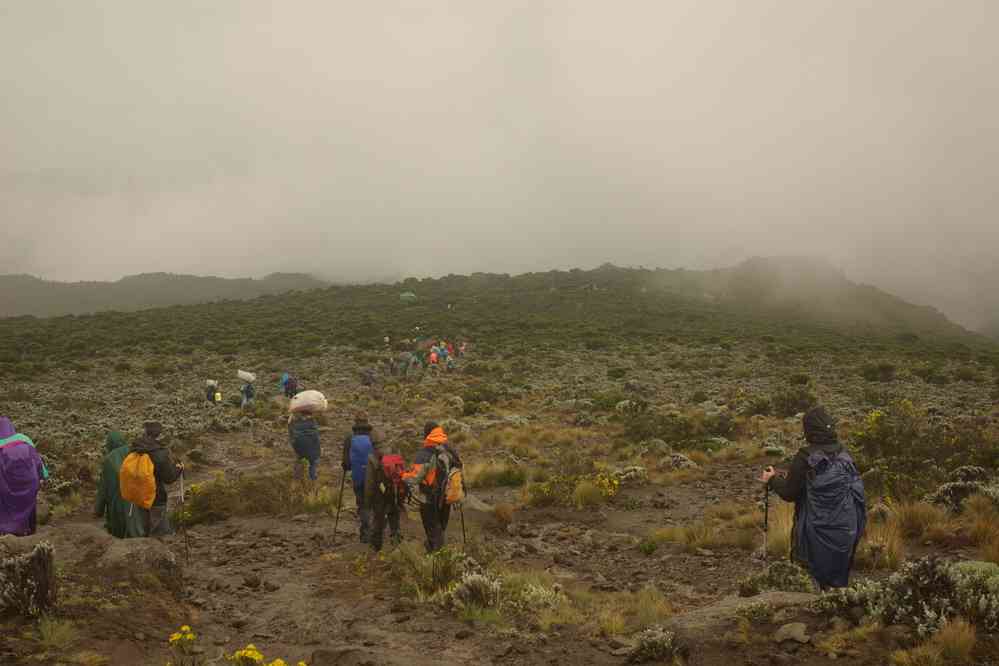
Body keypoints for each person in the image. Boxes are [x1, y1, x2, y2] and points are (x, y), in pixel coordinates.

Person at [760, 406, 866, 590]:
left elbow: (789, 493)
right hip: (846, 528)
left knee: (809, 578)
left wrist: (772, 479)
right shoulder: (844, 453)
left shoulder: (805, 456)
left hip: (814, 533)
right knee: (837, 579)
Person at [404, 422, 462, 553]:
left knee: (432, 529)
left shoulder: (425, 453)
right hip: (446, 496)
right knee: (440, 527)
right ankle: (434, 551)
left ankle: (437, 560)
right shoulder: (449, 450)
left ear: (426, 434)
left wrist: (402, 475)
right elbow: (459, 468)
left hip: (429, 498)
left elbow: (414, 478)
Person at [129, 422, 183, 537]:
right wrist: (178, 469)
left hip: (138, 497)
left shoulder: (135, 448)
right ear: (159, 434)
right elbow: (169, 478)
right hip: (156, 498)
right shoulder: (159, 453)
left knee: (143, 531)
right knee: (160, 535)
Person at [94, 431, 146, 538]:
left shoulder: (109, 460)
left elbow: (103, 489)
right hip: (138, 503)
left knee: (120, 539)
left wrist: (98, 510)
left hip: (118, 506)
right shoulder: (134, 452)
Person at [0, 417, 45, 536]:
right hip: (30, 482)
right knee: (30, 504)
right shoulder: (24, 439)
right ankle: (30, 530)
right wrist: (42, 475)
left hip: (6, 487)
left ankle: (7, 531)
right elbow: (38, 461)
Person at [363, 435, 404, 552]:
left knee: (378, 521)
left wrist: (367, 500)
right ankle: (397, 545)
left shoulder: (372, 458)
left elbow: (369, 482)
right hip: (394, 492)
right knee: (394, 519)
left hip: (379, 496)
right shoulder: (394, 453)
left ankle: (376, 548)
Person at [342, 414, 375, 543]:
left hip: (358, 477)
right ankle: (376, 530)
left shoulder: (350, 438)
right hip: (374, 477)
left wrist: (348, 467)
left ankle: (366, 533)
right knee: (373, 504)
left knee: (363, 505)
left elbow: (346, 464)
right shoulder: (373, 437)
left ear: (355, 423)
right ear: (367, 422)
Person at [289, 411, 321, 480]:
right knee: (312, 466)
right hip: (313, 452)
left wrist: (290, 421)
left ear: (301, 415)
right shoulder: (314, 424)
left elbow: (292, 438)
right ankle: (312, 482)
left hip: (300, 451)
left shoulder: (296, 425)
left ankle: (297, 481)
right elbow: (317, 440)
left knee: (299, 465)